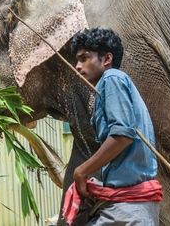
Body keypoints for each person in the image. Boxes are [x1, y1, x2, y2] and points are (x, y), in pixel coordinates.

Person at [68, 27, 162, 225]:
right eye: (77, 60)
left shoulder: (111, 79)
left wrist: (82, 171)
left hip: (128, 209)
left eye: (84, 58)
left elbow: (122, 136)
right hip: (129, 207)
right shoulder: (111, 85)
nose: (77, 66)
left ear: (106, 59)